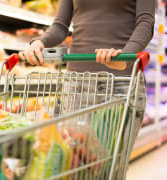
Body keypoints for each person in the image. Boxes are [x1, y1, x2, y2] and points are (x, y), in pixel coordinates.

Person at [19, 0, 155, 179]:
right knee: (72, 168)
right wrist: (40, 42)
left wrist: (125, 55)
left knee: (106, 170)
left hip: (120, 85)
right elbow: (60, 26)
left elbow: (145, 22)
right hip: (76, 86)